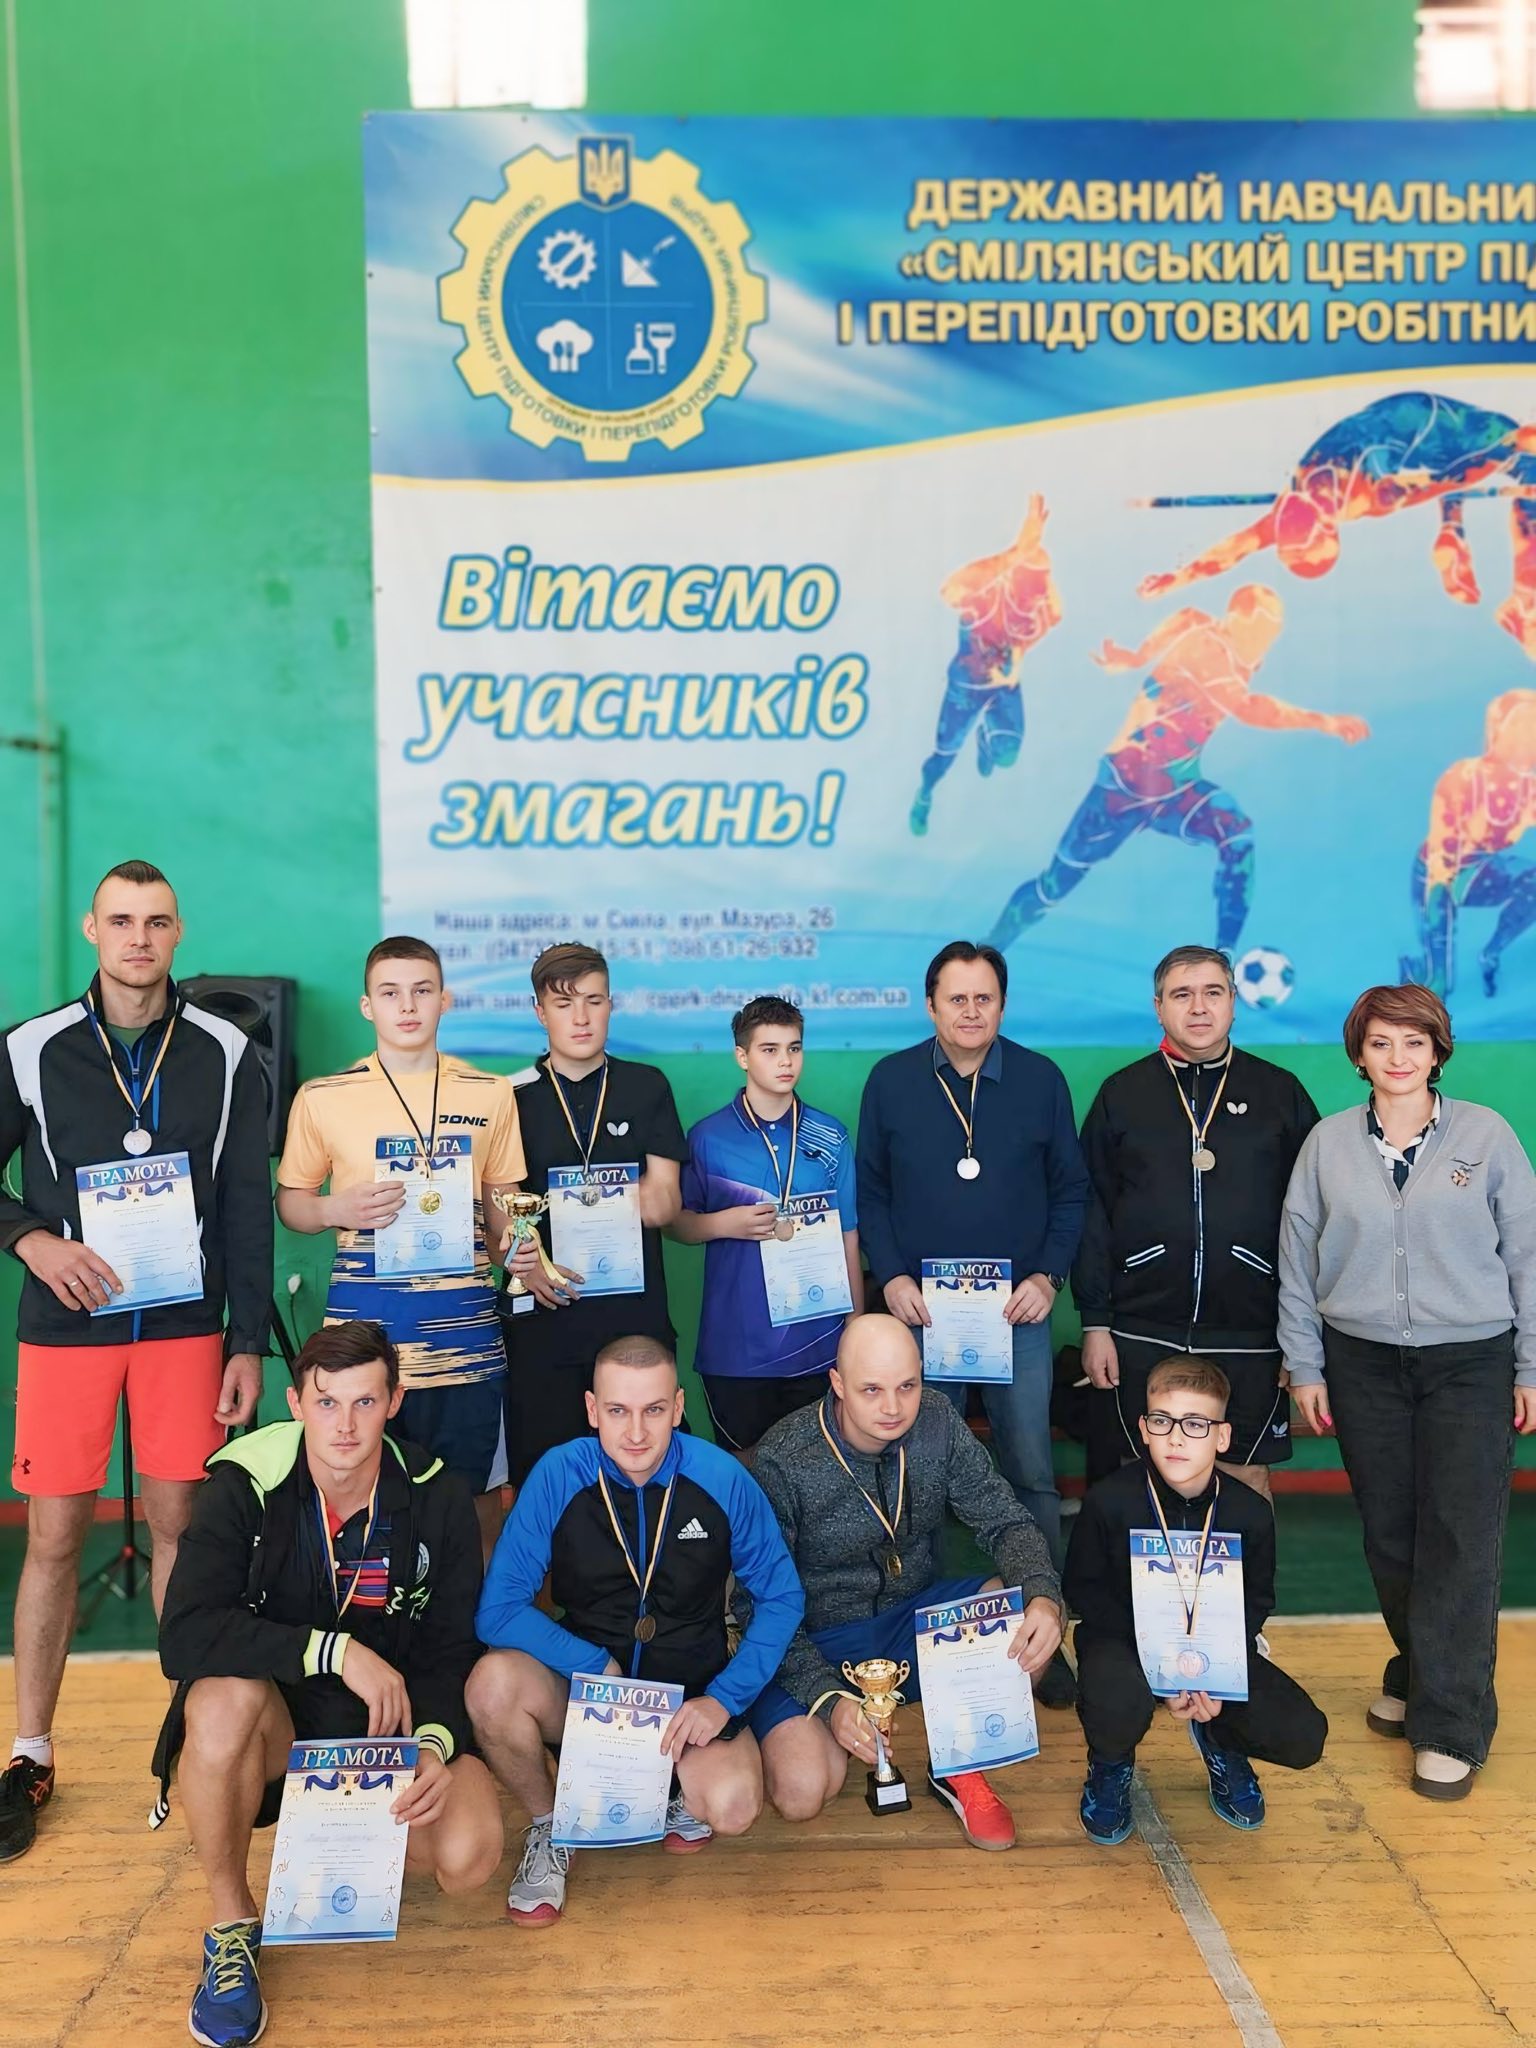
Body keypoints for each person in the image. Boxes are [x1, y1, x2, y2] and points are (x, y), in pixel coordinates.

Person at [0, 859, 273, 1866]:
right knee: (54, 1535)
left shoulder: (227, 1051)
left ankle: (191, 1733)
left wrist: (247, 1340)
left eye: (156, 921)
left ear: (178, 931)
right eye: (121, 920)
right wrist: (33, 1239)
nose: (139, 939)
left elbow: (246, 1206)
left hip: (184, 1329)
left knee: (179, 1529)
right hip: (66, 1326)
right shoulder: (29, 1049)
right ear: (92, 929)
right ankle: (30, 1751)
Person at [152, 1320, 502, 2048]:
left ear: (394, 1401)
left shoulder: (437, 1494)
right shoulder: (244, 1483)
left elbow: (452, 1650)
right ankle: (232, 1924)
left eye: (365, 1402)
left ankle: (329, 1836)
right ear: (296, 1403)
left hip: (388, 1732)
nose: (345, 1425)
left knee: (468, 1855)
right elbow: (183, 1634)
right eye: (327, 1402)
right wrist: (331, 1650)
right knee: (220, 1700)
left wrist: (435, 1744)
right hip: (280, 1726)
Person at [1279, 982, 1536, 1800]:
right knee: (1390, 1535)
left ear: (1437, 1052)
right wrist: (1305, 1365)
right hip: (1361, 1363)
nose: (1398, 1058)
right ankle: (1419, 1668)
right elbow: (1296, 1258)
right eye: (1382, 1043)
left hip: (1471, 1361)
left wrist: (1531, 1367)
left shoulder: (1487, 1136)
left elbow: (1528, 1256)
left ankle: (1450, 1724)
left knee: (1460, 1536)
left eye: (1414, 1042)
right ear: (1360, 1054)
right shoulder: (1327, 1144)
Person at [469, 1335, 803, 1924]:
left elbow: (782, 1597)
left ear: (678, 1407)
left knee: (733, 1807)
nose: (636, 1433)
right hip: (588, 1696)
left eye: (653, 1410)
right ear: (592, 1409)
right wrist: (591, 1662)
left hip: (688, 1700)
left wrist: (724, 1700)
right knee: (492, 1686)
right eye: (618, 1411)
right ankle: (551, 1825)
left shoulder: (721, 1477)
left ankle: (668, 1791)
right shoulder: (558, 1474)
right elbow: (497, 1610)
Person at [747, 1316, 1064, 1849]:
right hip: (813, 1637)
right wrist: (827, 1698)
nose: (893, 1407)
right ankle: (832, 1724)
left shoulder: (938, 1420)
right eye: (871, 1390)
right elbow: (758, 1603)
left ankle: (958, 1763)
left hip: (909, 1623)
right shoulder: (785, 1457)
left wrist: (1044, 1597)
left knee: (1019, 1615)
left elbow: (1006, 1521)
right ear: (838, 1383)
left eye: (907, 1386)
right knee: (802, 1793)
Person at [855, 939, 1085, 1654]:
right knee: (921, 1472)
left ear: (1002, 1005)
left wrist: (1048, 1277)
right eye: (957, 998)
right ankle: (928, 1635)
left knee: (1031, 1473)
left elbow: (1070, 1190)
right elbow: (872, 1192)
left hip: (1017, 1312)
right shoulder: (891, 1080)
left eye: (984, 998)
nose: (971, 1011)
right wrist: (892, 1276)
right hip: (924, 1314)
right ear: (931, 1006)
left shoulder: (1041, 1080)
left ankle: (1044, 1631)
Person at [275, 936, 525, 1554]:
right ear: (368, 1006)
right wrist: (334, 1208)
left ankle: (468, 1615)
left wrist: (519, 1251)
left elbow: (505, 1210)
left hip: (466, 1341)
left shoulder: (490, 1091)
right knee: (360, 1497)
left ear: (445, 1000)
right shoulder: (323, 1096)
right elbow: (292, 1202)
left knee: (474, 1503)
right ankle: (368, 1614)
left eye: (421, 991)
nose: (407, 1006)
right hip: (364, 1346)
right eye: (390, 993)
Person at [987, 588, 1369, 953]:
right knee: (1053, 887)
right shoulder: (1208, 645)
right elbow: (1250, 707)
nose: (1265, 640)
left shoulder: (1230, 651)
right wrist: (1324, 722)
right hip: (1122, 789)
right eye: (1260, 629)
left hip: (1175, 790)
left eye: (1272, 632)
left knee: (1236, 831)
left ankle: (1225, 954)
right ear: (1234, 619)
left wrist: (1138, 655)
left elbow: (1185, 616)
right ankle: (991, 950)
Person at [1074, 944, 1319, 1499]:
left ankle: (1246, 1568)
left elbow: (1314, 1219)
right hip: (1142, 1326)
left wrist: (1301, 1339)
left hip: (1254, 1329)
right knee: (1144, 1478)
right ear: (1159, 1007)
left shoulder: (1279, 1092)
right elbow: (1091, 1211)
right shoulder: (1122, 1094)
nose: (1199, 1007)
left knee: (1245, 1476)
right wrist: (1095, 1324)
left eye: (1213, 992)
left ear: (1233, 1001)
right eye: (1181, 994)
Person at [1065, 1355, 1327, 1846]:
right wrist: (1164, 1666)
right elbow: (1084, 1591)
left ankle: (1220, 1739)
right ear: (1143, 1429)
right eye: (1162, 1421)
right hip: (1124, 1644)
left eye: (1195, 1424)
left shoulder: (1250, 1513)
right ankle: (1110, 1764)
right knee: (1115, 1700)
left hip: (1214, 1647)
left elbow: (1256, 1601)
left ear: (1221, 1437)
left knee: (1302, 1735)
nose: (1177, 1438)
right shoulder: (1109, 1501)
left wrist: (1214, 1671)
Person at [1137, 389, 1536, 658]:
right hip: (1418, 431)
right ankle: (1504, 581)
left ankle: (1461, 541)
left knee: (1504, 458)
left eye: (1290, 538)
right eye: (1301, 534)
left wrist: (1177, 578)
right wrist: (1510, 446)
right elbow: (1449, 478)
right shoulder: (1370, 497)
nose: (1291, 525)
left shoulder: (1286, 516)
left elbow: (1231, 551)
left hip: (1418, 421)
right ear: (1327, 529)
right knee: (1518, 464)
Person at [502, 944, 687, 1486]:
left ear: (611, 1005)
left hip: (634, 1320)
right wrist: (524, 1260)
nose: (580, 1017)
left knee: (647, 1476)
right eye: (564, 1004)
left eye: (593, 1001)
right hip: (547, 1319)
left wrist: (637, 1198)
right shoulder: (510, 1096)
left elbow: (667, 1202)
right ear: (540, 1012)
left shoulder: (647, 1085)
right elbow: (502, 1218)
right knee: (547, 1480)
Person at [671, 995, 862, 1455]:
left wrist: (855, 1331)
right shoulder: (707, 1137)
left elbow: (848, 1236)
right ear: (742, 1056)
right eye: (769, 1049)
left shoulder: (831, 1135)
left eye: (794, 1048)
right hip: (735, 1351)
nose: (785, 1061)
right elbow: (676, 1225)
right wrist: (724, 1223)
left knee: (820, 1477)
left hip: (819, 1345)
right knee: (745, 1475)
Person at [909, 493, 1063, 836]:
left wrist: (1017, 661)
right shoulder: (983, 600)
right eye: (1028, 593)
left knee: (1007, 755)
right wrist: (1015, 553)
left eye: (1039, 593)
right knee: (942, 760)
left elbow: (1050, 616)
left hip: (1003, 687)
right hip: (967, 688)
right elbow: (949, 590)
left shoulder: (1042, 610)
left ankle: (985, 738)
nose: (1033, 602)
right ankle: (924, 794)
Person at [1399, 687, 1536, 998]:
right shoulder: (1463, 777)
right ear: (1499, 729)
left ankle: (1492, 952)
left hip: (1483, 872)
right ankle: (1413, 971)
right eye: (1521, 724)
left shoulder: (1529, 789)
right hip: (1434, 877)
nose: (1528, 735)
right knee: (1438, 986)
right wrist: (1441, 898)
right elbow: (1440, 855)